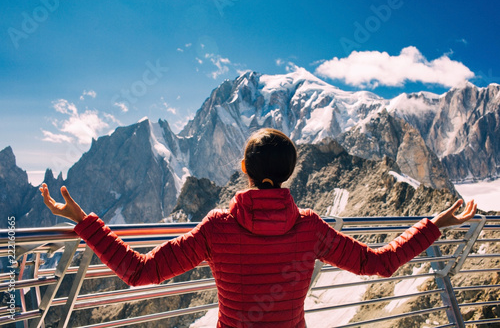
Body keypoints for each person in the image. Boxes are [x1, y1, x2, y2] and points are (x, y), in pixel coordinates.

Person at [40, 128, 477, 328]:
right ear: (288, 174)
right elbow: (379, 263)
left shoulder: (218, 228)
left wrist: (83, 222)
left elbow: (138, 272)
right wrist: (437, 222)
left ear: (244, 170)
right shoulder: (310, 228)